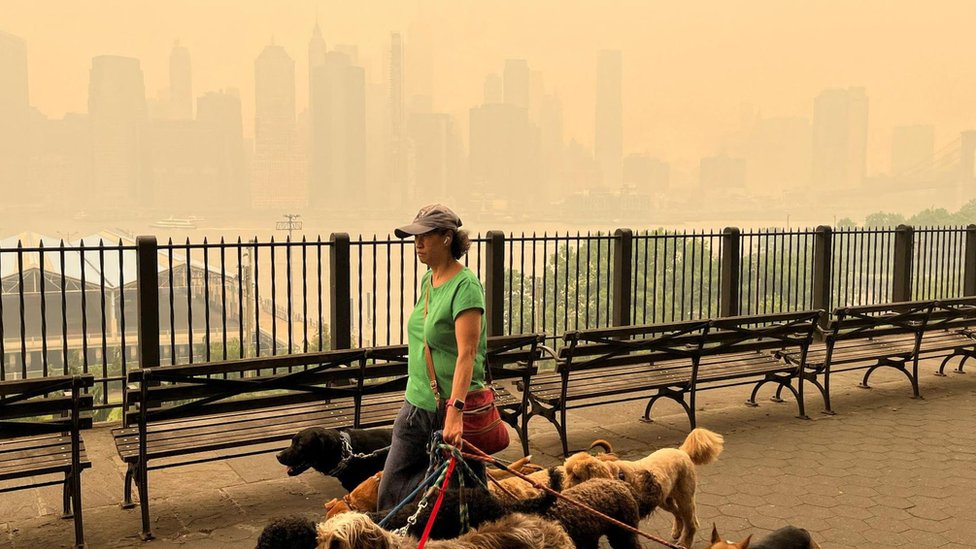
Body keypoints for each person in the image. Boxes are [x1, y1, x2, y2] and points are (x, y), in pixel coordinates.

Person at [377, 204, 488, 511]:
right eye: (415, 237)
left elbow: (467, 353)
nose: (418, 243)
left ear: (447, 238)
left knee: (468, 498)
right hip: (415, 405)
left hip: (449, 409)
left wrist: (456, 411)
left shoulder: (466, 286)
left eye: (425, 236)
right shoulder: (429, 280)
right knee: (390, 493)